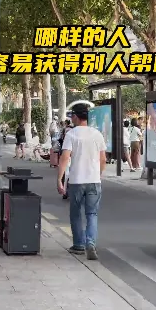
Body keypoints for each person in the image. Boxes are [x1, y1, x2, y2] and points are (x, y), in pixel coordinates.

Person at [57, 103, 106, 260]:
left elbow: (65, 157)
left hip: (77, 180)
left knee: (76, 213)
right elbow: (103, 159)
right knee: (92, 214)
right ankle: (90, 243)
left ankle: (79, 244)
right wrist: (98, 174)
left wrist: (59, 179)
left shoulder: (71, 134)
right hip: (94, 180)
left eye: (72, 116)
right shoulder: (97, 134)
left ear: (76, 117)